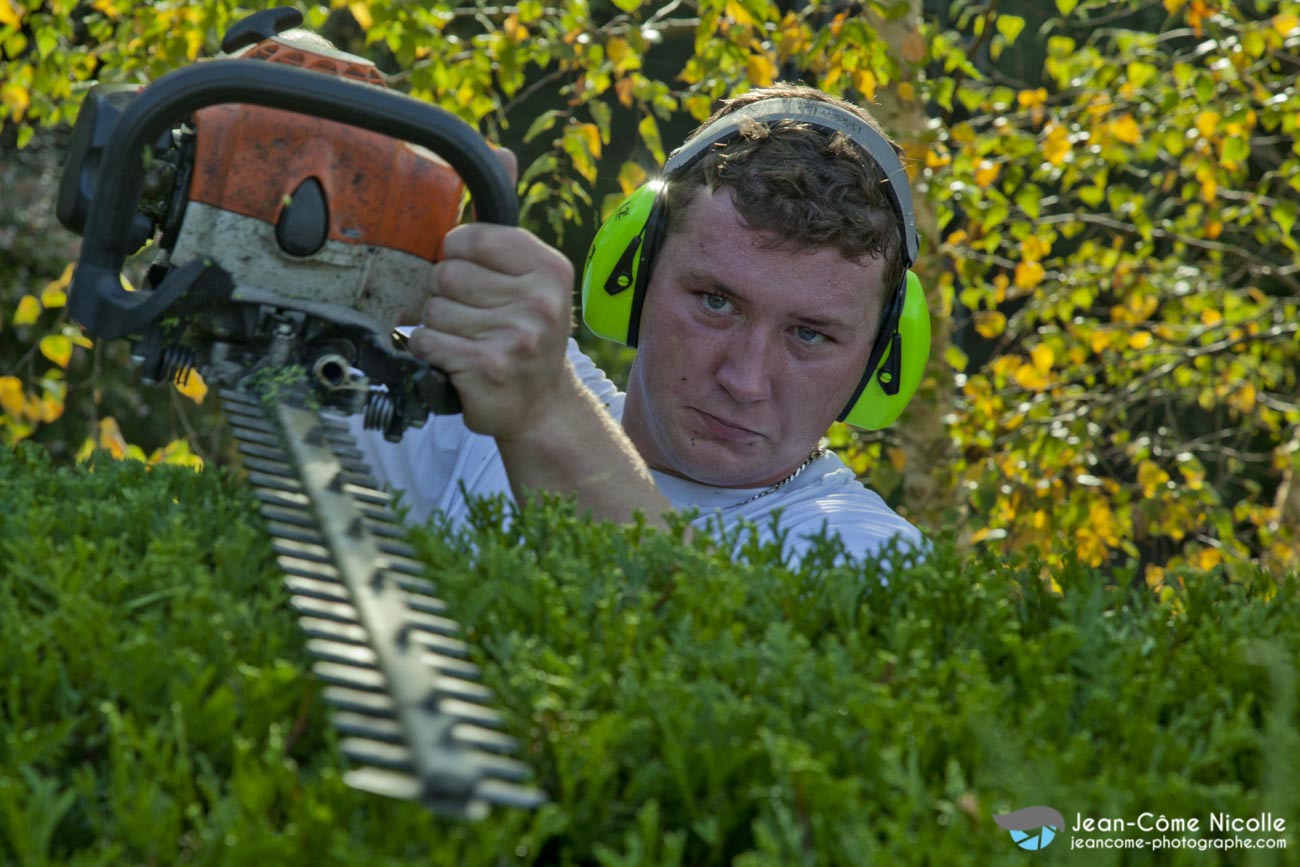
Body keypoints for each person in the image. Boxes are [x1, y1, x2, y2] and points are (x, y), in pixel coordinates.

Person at [349, 83, 927, 565]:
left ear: (878, 357)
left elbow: (721, 643)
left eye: (809, 335)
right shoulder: (490, 397)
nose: (745, 380)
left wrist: (544, 412)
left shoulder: (868, 552)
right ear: (635, 277)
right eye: (715, 303)